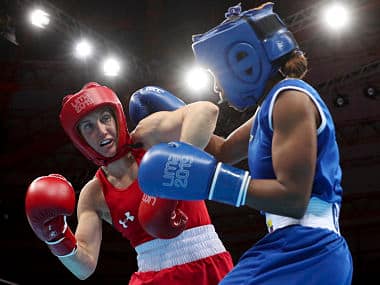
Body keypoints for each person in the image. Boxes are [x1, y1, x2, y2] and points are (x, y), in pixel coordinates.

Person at [136, 2, 353, 284]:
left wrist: (211, 181)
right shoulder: (271, 108)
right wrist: (178, 117)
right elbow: (223, 151)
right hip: (292, 246)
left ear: (243, 59)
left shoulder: (291, 99)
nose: (215, 87)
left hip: (308, 248)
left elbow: (293, 198)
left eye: (215, 74)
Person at [25, 82, 234, 284]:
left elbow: (205, 111)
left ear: (117, 118)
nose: (101, 130)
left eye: (105, 118)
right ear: (80, 140)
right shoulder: (94, 193)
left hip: (210, 263)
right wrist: (54, 237)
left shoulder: (148, 136)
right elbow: (84, 268)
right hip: (153, 276)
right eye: (88, 126)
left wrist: (176, 174)